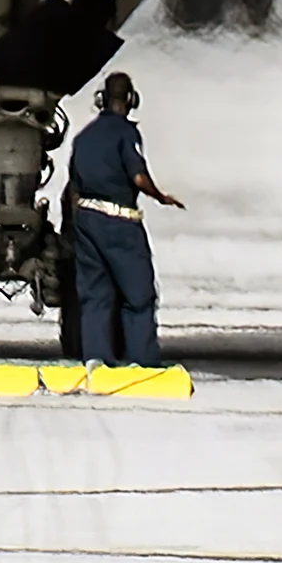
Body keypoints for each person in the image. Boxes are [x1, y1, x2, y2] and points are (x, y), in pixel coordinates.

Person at [67, 70, 183, 366]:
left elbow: (73, 190)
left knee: (95, 295)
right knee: (139, 295)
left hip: (87, 221)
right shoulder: (127, 133)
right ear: (131, 99)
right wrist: (160, 196)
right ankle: (142, 361)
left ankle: (95, 358)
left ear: (101, 99)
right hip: (119, 222)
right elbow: (138, 177)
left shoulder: (83, 137)